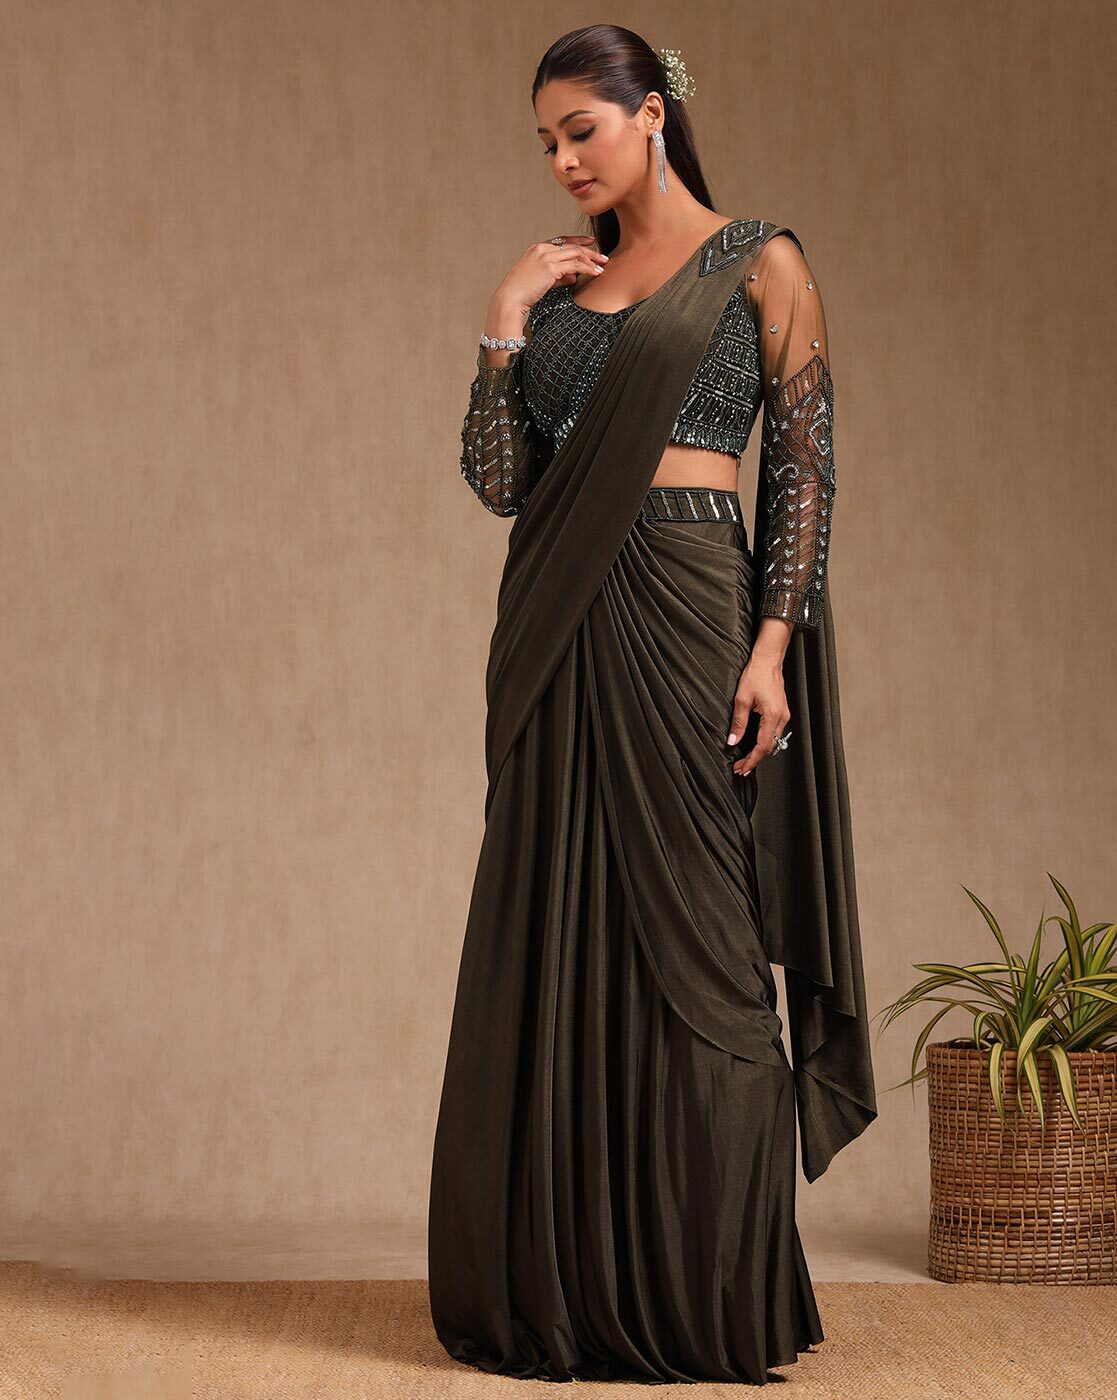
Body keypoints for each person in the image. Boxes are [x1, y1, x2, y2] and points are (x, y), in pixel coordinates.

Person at [428, 22, 877, 1386]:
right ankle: (565, 1282)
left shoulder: (760, 261)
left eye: (583, 128)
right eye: (546, 142)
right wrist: (505, 320)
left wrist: (770, 646)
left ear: (653, 115)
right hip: (559, 629)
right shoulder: (563, 297)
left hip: (691, 612)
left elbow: (803, 471)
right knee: (561, 926)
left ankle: (709, 1293)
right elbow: (502, 483)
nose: (565, 159)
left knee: (709, 948)